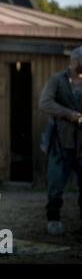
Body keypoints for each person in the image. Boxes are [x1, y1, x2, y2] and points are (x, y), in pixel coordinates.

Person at [39, 46, 82, 235]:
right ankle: (53, 219)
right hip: (61, 139)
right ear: (76, 60)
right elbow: (45, 103)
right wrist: (69, 114)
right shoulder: (57, 80)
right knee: (56, 182)